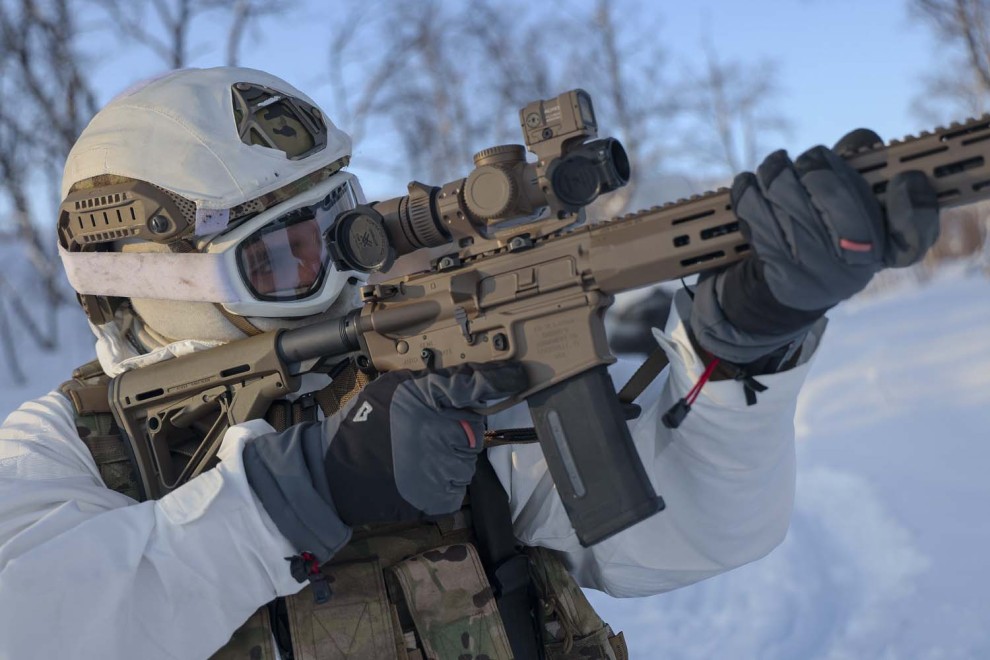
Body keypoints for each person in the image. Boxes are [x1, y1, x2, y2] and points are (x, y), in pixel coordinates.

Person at [0, 67, 939, 659]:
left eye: (347, 230)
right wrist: (301, 490)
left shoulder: (420, 387)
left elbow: (700, 534)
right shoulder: (61, 454)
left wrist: (744, 342)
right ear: (143, 283)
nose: (335, 280)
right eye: (284, 258)